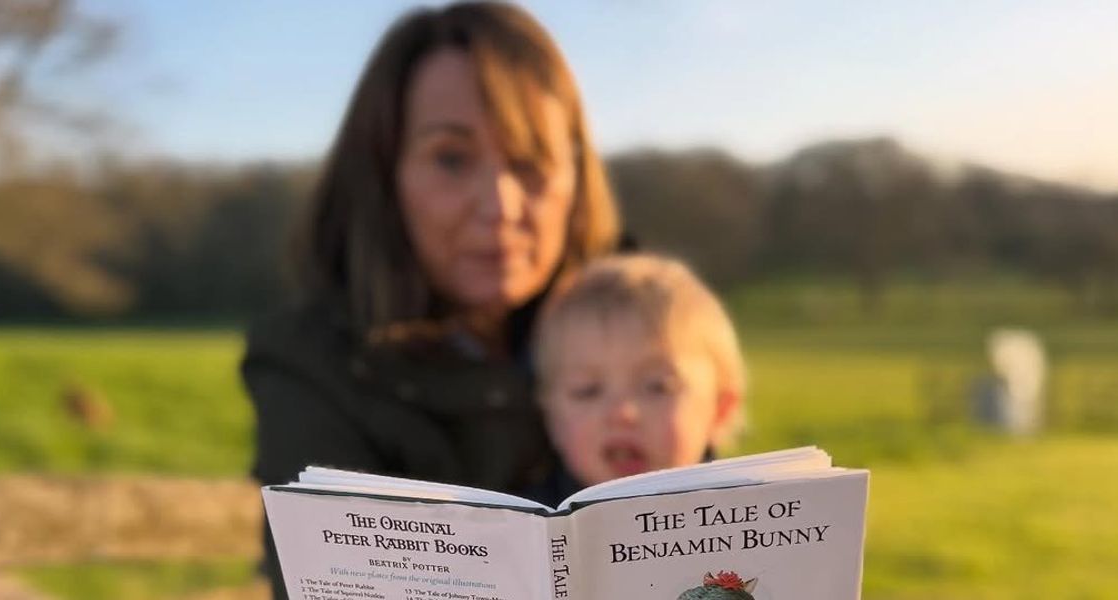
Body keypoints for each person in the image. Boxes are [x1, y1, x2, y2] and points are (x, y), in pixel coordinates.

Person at [239, 2, 620, 597]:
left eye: (530, 161)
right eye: (451, 158)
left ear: (577, 176)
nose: (500, 206)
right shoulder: (308, 360)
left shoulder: (646, 324)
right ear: (384, 178)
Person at [531, 254, 746, 491]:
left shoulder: (754, 516)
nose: (623, 413)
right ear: (551, 418)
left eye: (658, 387)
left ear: (720, 410)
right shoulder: (520, 522)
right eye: (587, 391)